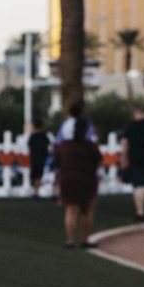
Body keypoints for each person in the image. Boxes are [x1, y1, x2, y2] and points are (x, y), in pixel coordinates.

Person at [52, 104, 102, 248]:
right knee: (87, 210)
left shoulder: (64, 145)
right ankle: (85, 239)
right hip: (87, 178)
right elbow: (98, 161)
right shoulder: (90, 145)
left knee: (70, 209)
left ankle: (70, 241)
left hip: (68, 177)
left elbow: (56, 161)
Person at [27, 117, 51, 198]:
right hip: (41, 159)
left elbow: (30, 147)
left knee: (34, 175)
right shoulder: (44, 136)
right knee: (38, 176)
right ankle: (36, 191)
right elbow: (48, 147)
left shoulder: (32, 136)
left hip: (34, 159)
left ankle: (35, 191)